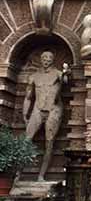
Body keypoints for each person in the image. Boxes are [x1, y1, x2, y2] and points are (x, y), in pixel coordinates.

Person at [23, 51, 70, 181]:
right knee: (26, 140)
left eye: (49, 58)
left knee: (49, 142)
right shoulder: (33, 76)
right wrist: (25, 113)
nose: (46, 60)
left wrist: (66, 72)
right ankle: (17, 174)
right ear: (40, 59)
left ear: (53, 60)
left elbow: (65, 80)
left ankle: (41, 175)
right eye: (44, 58)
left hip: (54, 109)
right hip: (37, 109)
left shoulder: (58, 74)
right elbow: (28, 97)